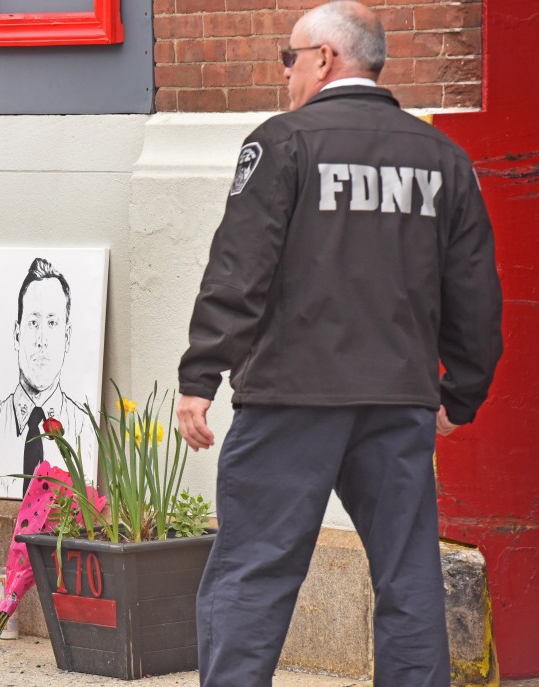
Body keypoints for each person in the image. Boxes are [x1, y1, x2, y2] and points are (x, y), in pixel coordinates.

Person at [174, 2, 502, 686]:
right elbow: (475, 293)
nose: (285, 74)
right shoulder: (443, 158)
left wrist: (202, 373)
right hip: (398, 399)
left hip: (291, 398)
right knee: (409, 580)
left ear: (324, 58)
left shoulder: (285, 142)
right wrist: (460, 393)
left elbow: (240, 265)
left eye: (288, 59)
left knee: (253, 572)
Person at [0, 257, 92, 498]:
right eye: (33, 322)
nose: (41, 339)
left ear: (67, 337)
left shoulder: (86, 432)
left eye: (52, 322)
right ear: (17, 335)